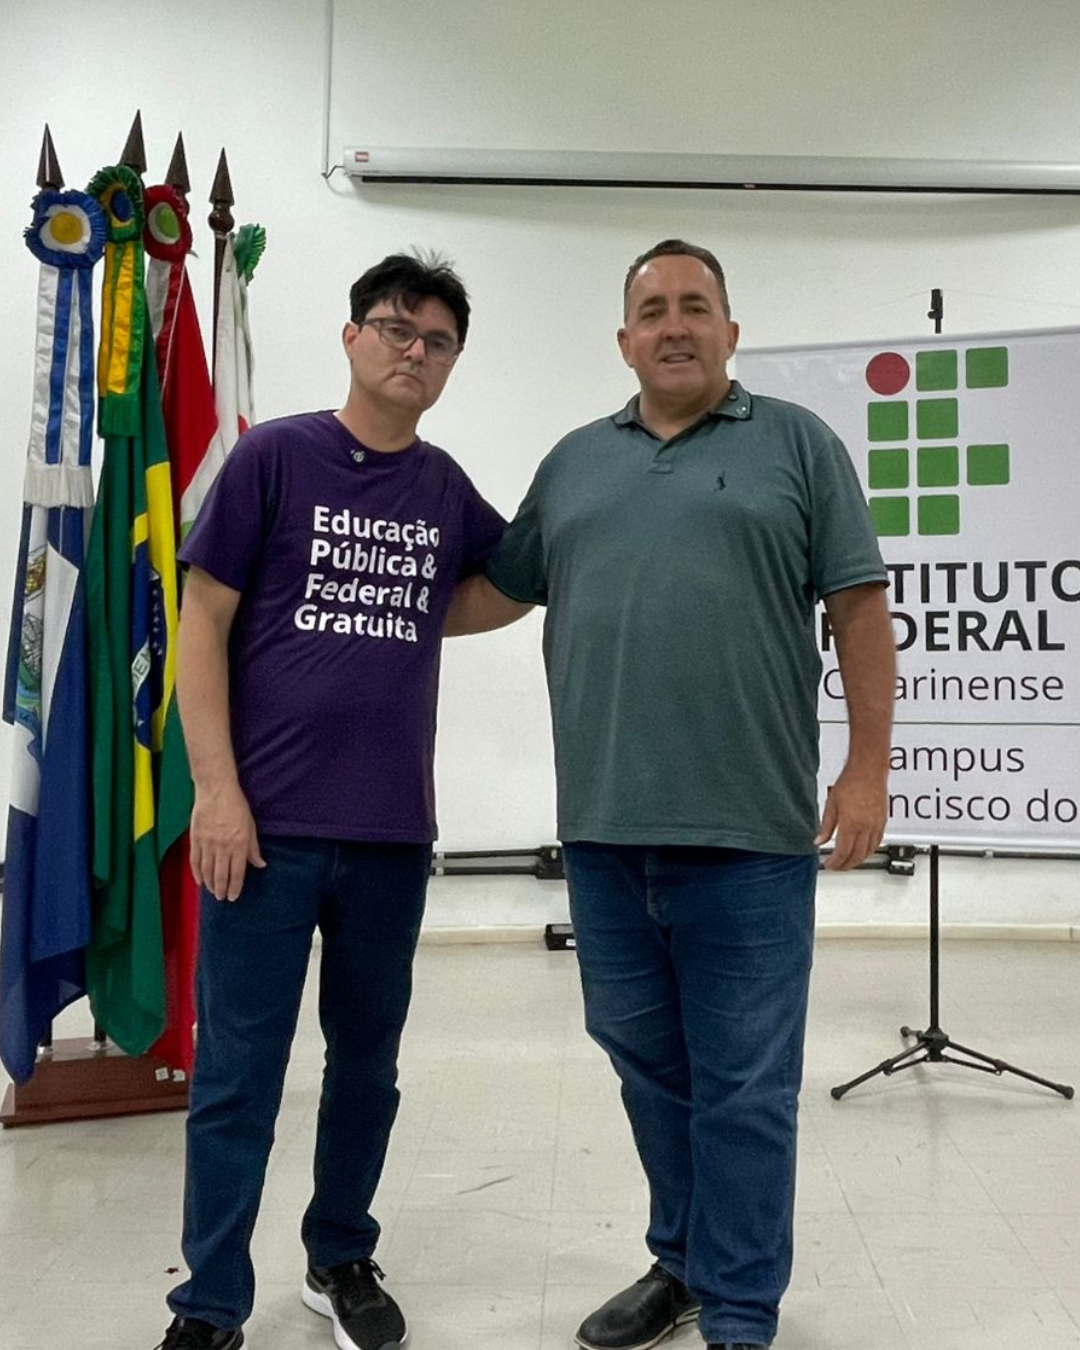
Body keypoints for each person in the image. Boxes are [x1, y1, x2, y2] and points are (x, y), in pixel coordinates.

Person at [446, 240, 895, 1350]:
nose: (676, 325)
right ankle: (683, 1260)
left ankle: (740, 1308)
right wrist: (330, 594)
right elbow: (491, 598)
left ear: (732, 331)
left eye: (697, 307)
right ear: (625, 339)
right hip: (602, 829)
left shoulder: (799, 445)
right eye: (654, 310)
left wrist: (868, 768)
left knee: (744, 1085)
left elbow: (858, 611)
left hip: (747, 834)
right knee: (645, 1060)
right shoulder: (574, 464)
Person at [157, 253, 505, 1350]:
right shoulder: (276, 458)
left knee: (367, 1066)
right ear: (352, 337)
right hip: (260, 834)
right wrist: (216, 791)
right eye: (397, 327)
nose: (415, 349)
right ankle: (209, 1304)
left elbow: (500, 583)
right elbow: (200, 620)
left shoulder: (443, 486)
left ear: (451, 364)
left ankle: (339, 1255)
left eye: (437, 339)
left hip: (392, 837)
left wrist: (409, 614)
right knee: (238, 1076)